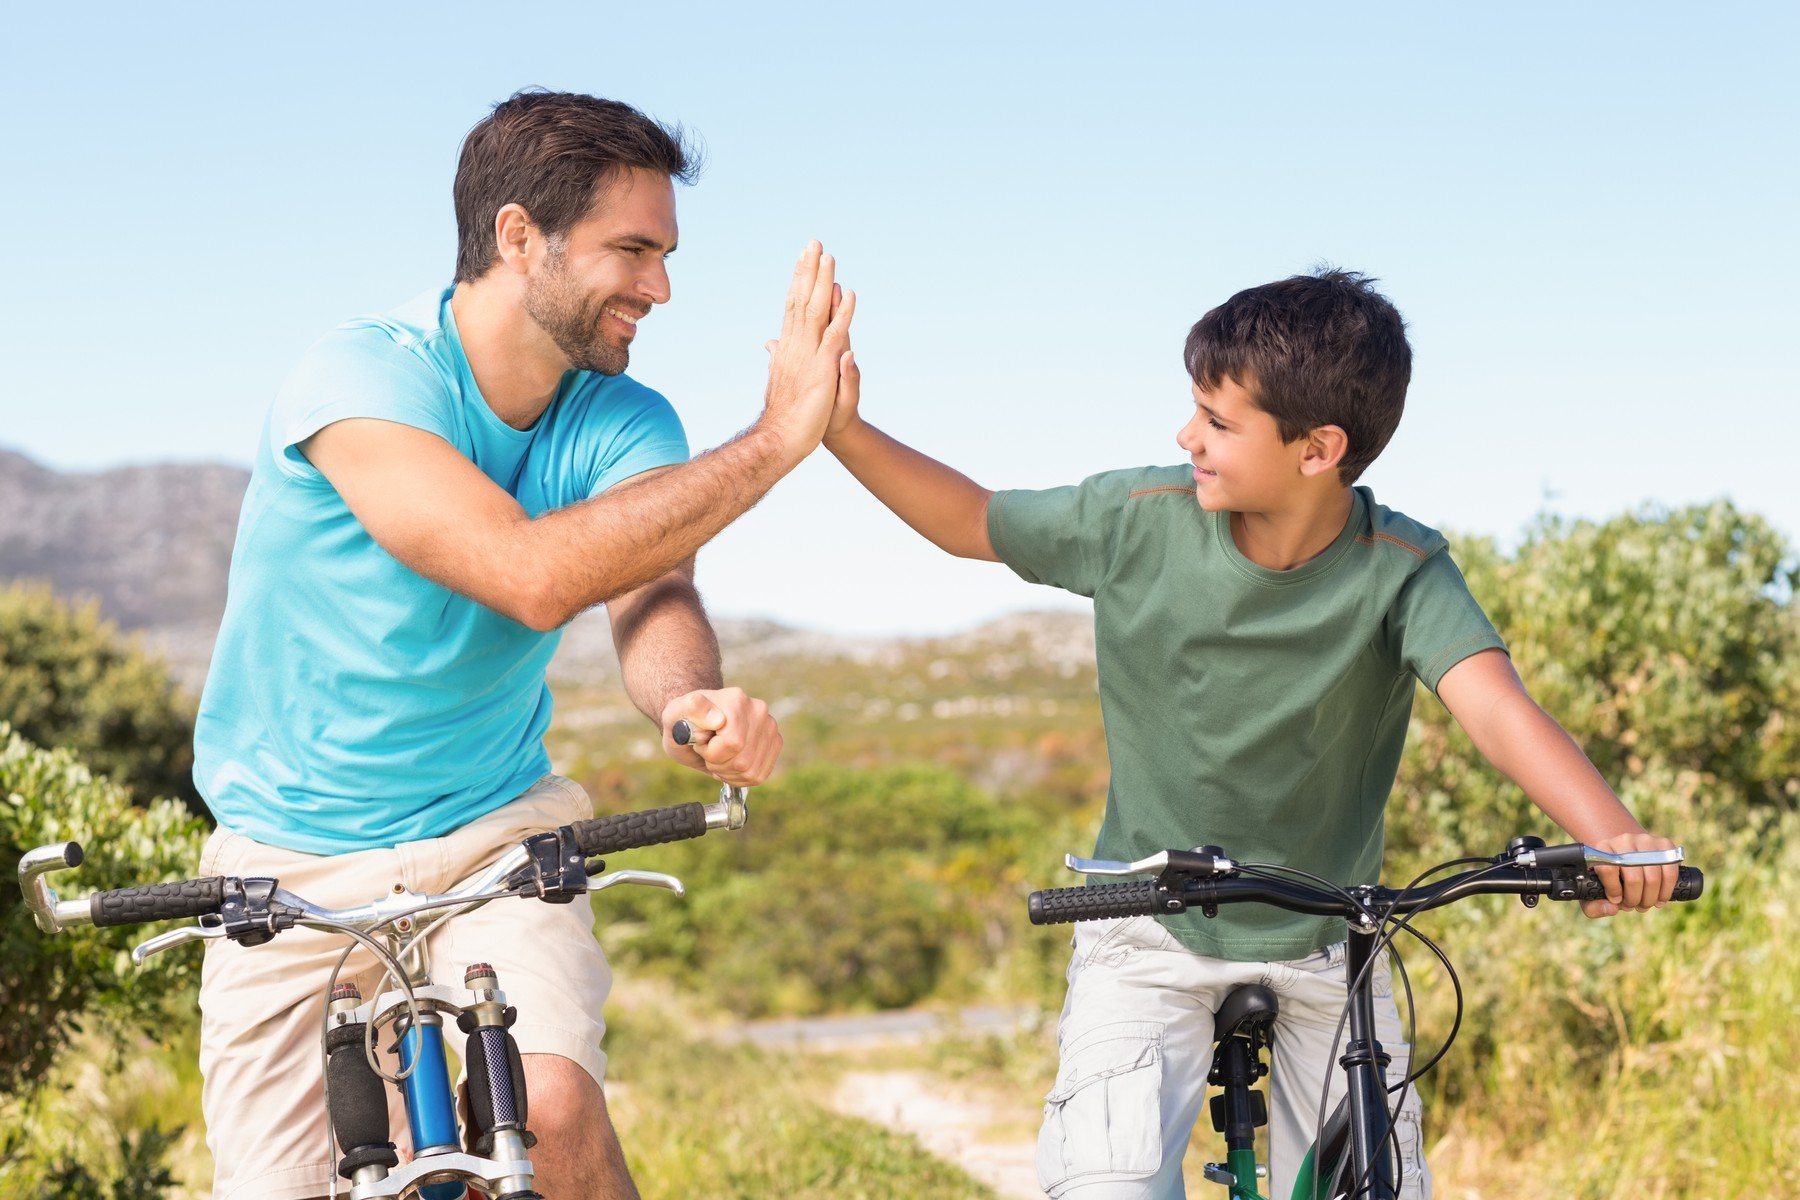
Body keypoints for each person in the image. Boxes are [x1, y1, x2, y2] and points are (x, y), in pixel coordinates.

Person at [821, 268, 1680, 1199]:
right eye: (1195, 408)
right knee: (1104, 1186)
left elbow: (1497, 707)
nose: (1186, 436)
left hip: (1330, 939)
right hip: (1144, 926)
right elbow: (969, 521)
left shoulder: (1403, 568)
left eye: (1218, 421)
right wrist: (841, 429)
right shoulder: (1134, 518)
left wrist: (1611, 831)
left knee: (1375, 1188)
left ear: (1318, 450)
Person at [190, 89, 854, 1200]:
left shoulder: (623, 417)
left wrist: (688, 705)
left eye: (665, 253)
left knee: (547, 1110)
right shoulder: (362, 381)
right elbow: (530, 573)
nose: (660, 288)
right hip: (289, 858)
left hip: (494, 832)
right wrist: (784, 436)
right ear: (517, 236)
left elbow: (651, 593)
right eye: (632, 250)